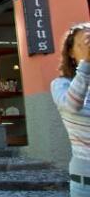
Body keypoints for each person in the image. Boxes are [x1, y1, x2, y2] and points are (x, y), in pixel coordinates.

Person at [51, 23, 90, 196]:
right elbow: (72, 106)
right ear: (71, 53)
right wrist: (86, 65)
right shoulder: (61, 85)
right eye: (85, 43)